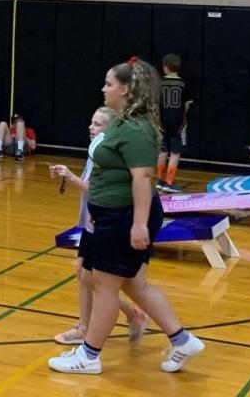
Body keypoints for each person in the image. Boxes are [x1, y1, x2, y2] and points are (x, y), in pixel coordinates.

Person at [47, 58, 203, 375]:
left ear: (125, 89)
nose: (103, 88)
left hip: (124, 217)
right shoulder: (121, 121)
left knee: (106, 285)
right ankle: (182, 339)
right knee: (133, 283)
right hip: (110, 216)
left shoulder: (137, 130)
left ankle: (89, 356)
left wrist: (139, 223)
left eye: (108, 84)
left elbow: (143, 178)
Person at [48, 106, 147, 347]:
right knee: (84, 274)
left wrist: (71, 178)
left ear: (111, 129)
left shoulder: (106, 155)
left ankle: (101, 324)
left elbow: (95, 189)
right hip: (91, 222)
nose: (91, 127)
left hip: (102, 223)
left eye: (98, 124)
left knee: (94, 278)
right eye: (91, 122)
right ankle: (121, 317)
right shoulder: (96, 151)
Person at [155, 53, 192, 193]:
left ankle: (160, 180)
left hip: (162, 123)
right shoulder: (183, 84)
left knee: (162, 151)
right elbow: (187, 106)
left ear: (165, 68)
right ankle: (169, 182)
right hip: (178, 123)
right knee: (175, 153)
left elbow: (155, 104)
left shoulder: (159, 84)